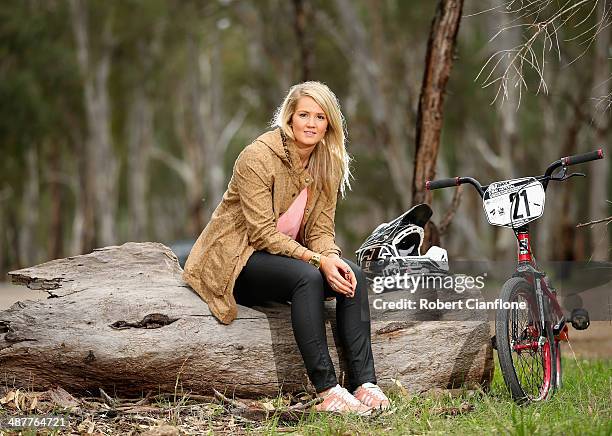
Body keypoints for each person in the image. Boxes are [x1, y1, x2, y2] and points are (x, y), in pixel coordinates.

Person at [183, 81, 390, 415]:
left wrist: (331, 259)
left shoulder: (327, 163)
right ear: (289, 118)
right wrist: (316, 260)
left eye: (320, 117)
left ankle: (364, 383)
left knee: (351, 275)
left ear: (329, 125)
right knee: (306, 278)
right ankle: (328, 390)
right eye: (304, 114)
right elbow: (262, 233)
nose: (311, 123)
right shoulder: (258, 156)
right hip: (237, 258)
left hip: (284, 257)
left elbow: (321, 230)